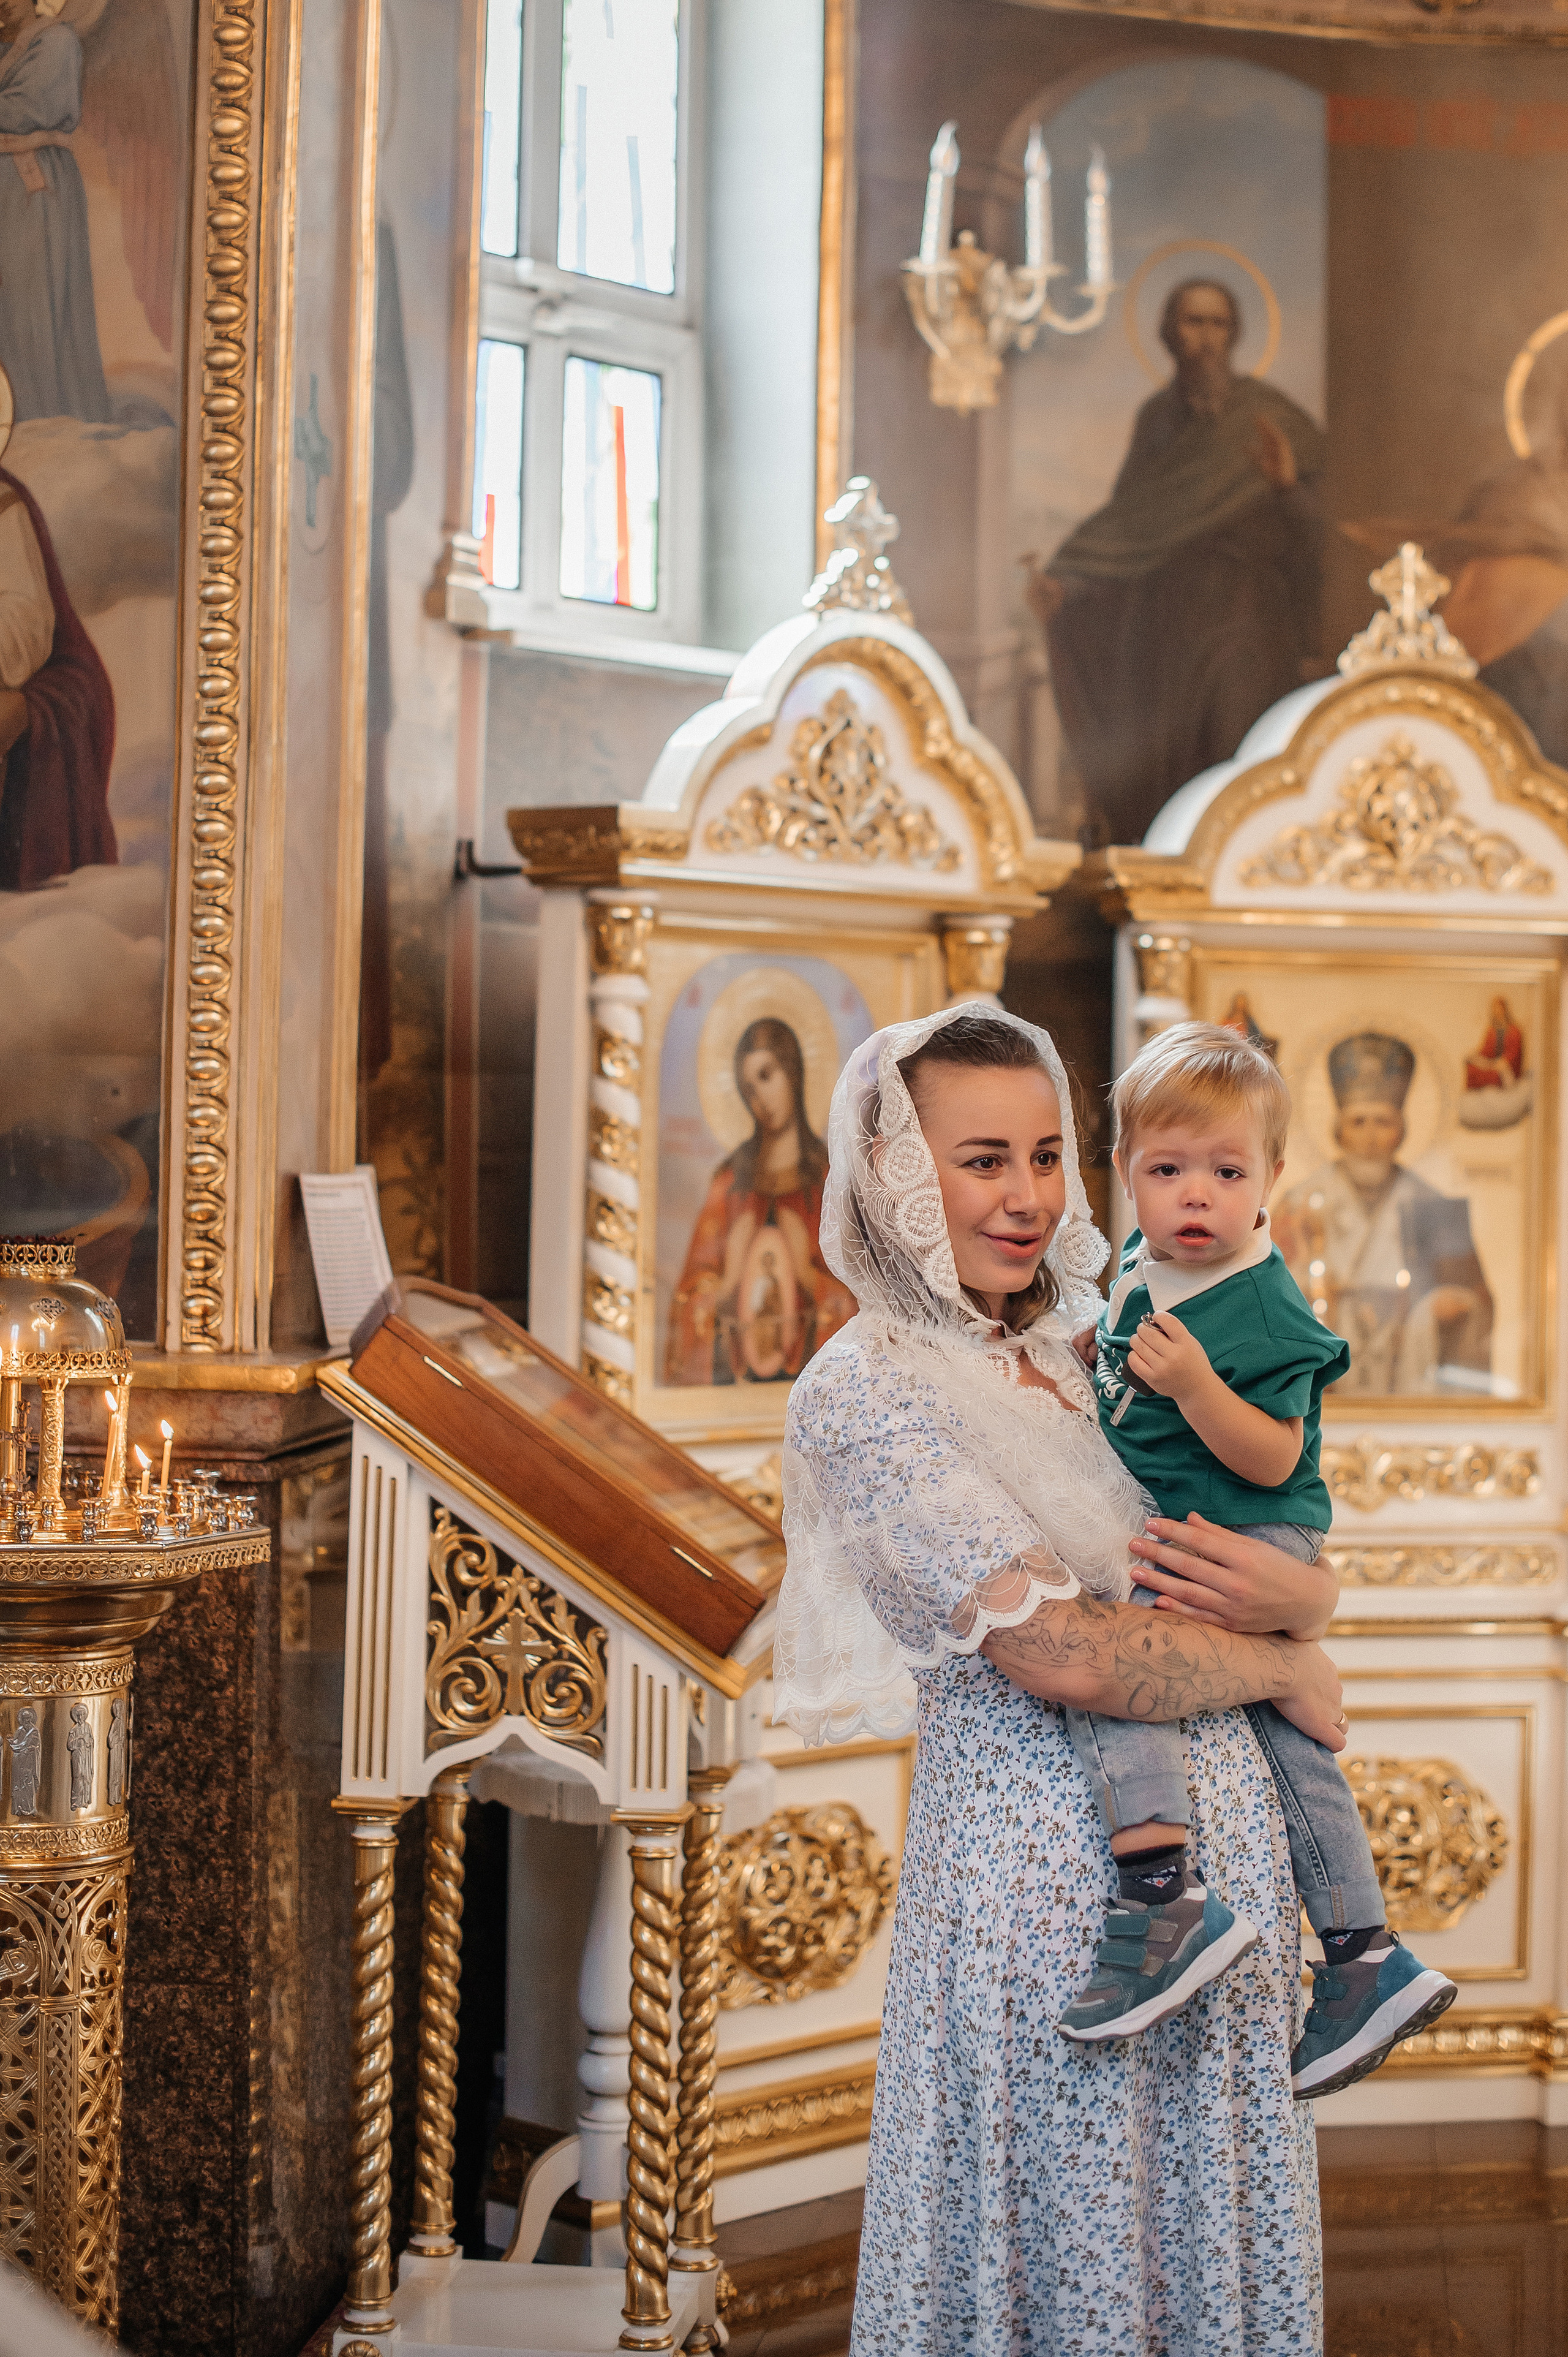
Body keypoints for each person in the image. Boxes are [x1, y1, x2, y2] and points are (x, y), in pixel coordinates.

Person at [777, 1002, 1345, 2350]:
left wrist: (1309, 1606)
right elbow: (1065, 1654)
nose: (1027, 1196)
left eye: (1046, 1155)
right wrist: (1286, 1659)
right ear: (897, 1174)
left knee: (1207, 2255)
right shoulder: (867, 1387)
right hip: (1051, 1915)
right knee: (1070, 2262)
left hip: (1230, 1904)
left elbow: (1271, 1529)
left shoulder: (1101, 1334)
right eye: (983, 1160)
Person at [1066, 1022, 1455, 2095]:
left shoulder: (1264, 1302)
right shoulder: (1147, 1265)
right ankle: (1363, 1949)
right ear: (1125, 1171)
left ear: (1272, 1177)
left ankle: (1161, 1889)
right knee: (1291, 1744)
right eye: (1168, 1171)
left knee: (1128, 1662)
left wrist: (1196, 1387)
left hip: (1250, 1529)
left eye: (1227, 1172)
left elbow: (1277, 1452)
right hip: (1207, 1527)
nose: (1197, 1194)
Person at [1031, 279, 1325, 847]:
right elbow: (1129, 525)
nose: (1207, 339)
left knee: (1235, 753)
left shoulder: (1272, 416)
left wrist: (1286, 486)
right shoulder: (1157, 421)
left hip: (1246, 621)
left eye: (1218, 324)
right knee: (1166, 773)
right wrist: (1069, 582)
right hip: (1164, 630)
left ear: (1234, 334)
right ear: (1171, 334)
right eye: (1194, 323)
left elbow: (1322, 532)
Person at [1273, 1032, 1492, 1394]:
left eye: (1383, 1122)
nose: (1371, 1137)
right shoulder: (1300, 1202)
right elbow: (1269, 1291)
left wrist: (1441, 1308)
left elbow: (1477, 1302)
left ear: (1401, 1130)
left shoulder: (1432, 1204)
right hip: (1326, 1367)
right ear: (1339, 1130)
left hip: (1407, 1365)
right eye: (1358, 1122)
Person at [664, 1016, 855, 1385]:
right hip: (737, 1389)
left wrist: (807, 1276)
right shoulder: (729, 1185)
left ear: (793, 1072)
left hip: (820, 1392)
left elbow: (873, 1307)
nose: (760, 1099)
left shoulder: (832, 1180)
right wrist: (727, 1283)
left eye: (767, 1077)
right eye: (748, 1089)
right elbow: (687, 1305)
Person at [0, 0, 113, 424]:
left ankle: (36, 414)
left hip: (32, 190)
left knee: (28, 303)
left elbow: (27, 108)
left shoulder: (57, 41)